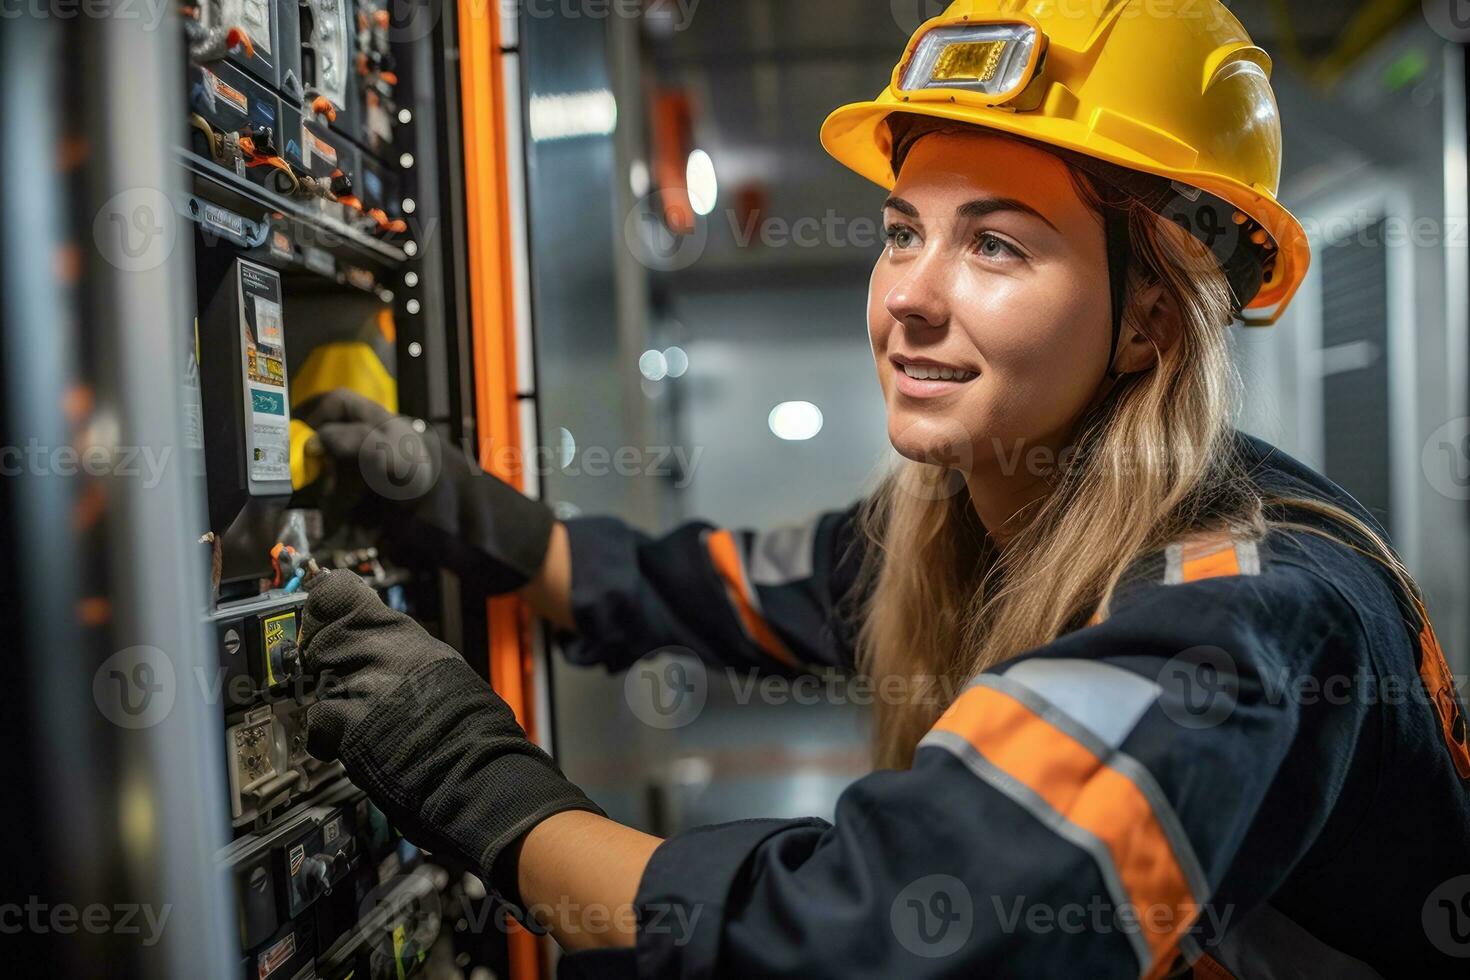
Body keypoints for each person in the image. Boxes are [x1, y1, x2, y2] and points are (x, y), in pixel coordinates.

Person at [291, 1, 1470, 975]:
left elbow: (877, 935)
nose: (909, 292)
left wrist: (488, 794)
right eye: (904, 230)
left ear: (1149, 316)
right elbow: (710, 589)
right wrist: (464, 511)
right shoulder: (991, 507)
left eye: (996, 244)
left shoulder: (1244, 610)